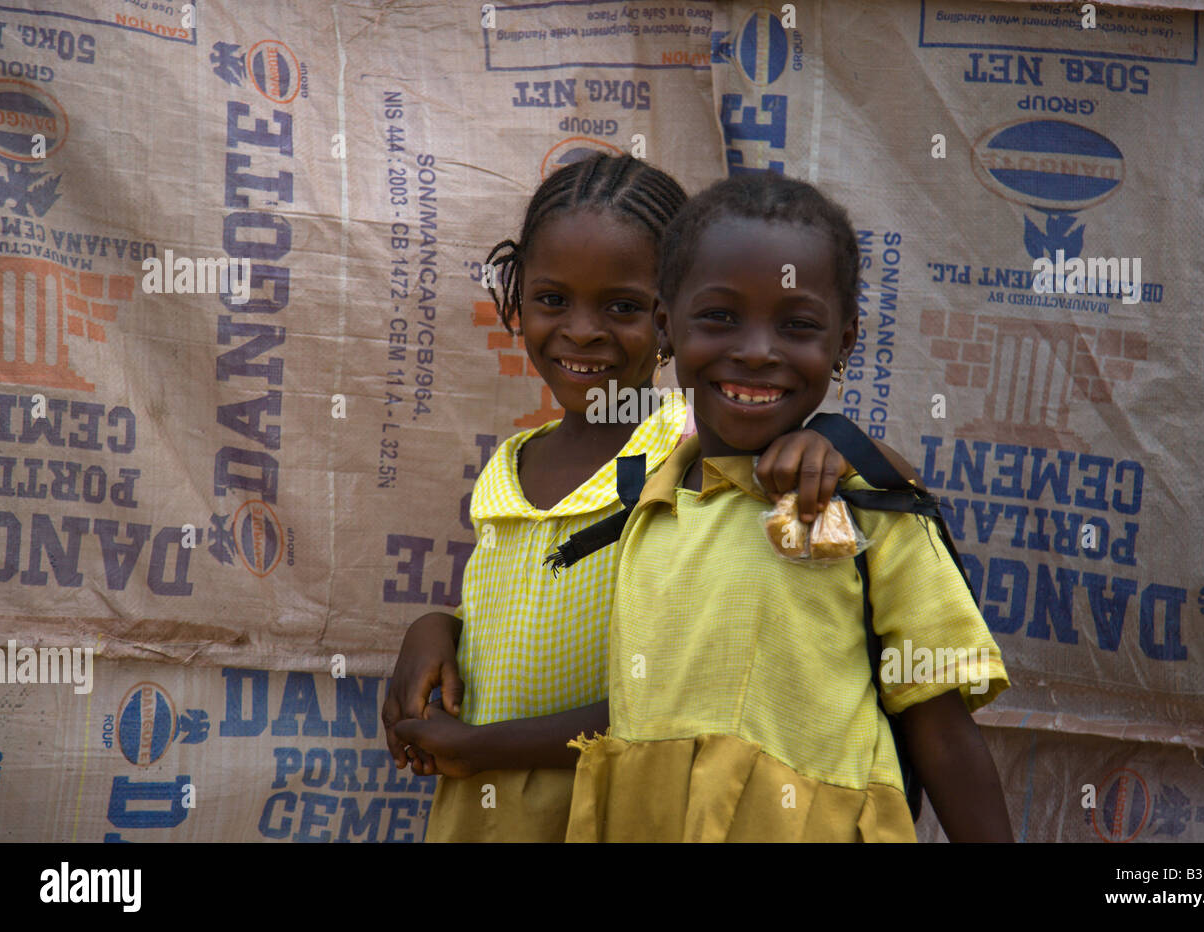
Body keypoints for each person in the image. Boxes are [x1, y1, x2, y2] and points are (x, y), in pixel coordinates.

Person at [383, 153, 854, 841]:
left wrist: (829, 443)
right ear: (516, 298)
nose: (581, 331)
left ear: (671, 316)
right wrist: (435, 628)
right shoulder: (510, 467)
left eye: (622, 307)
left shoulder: (697, 447)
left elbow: (684, 697)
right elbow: (511, 613)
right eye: (552, 300)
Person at [564, 172, 1014, 842]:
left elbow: (942, 732)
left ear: (845, 342)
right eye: (719, 317)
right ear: (666, 325)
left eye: (797, 325)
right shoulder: (645, 506)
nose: (755, 351)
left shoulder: (868, 510)